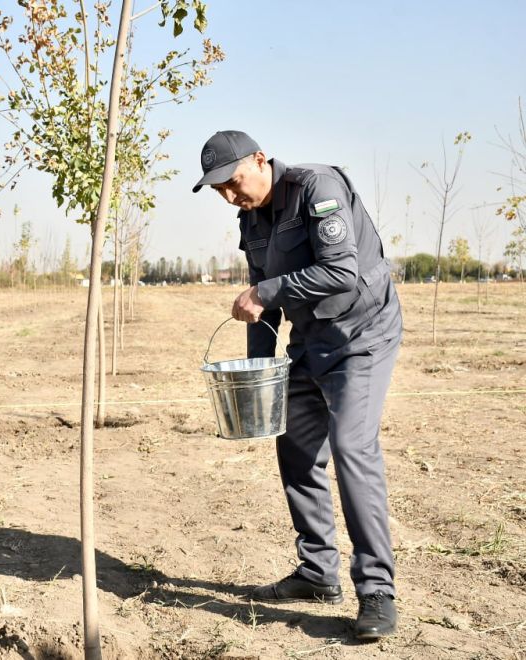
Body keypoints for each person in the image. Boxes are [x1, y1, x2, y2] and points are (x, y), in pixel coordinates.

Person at [192, 130, 402, 640]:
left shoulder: (316, 187)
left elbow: (342, 272)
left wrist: (264, 290)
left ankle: (376, 590)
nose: (229, 196)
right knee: (296, 448)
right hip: (310, 341)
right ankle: (317, 573)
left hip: (361, 336)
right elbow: (261, 309)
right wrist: (258, 378)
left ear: (260, 160)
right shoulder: (252, 220)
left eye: (233, 182)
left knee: (353, 449)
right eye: (218, 189)